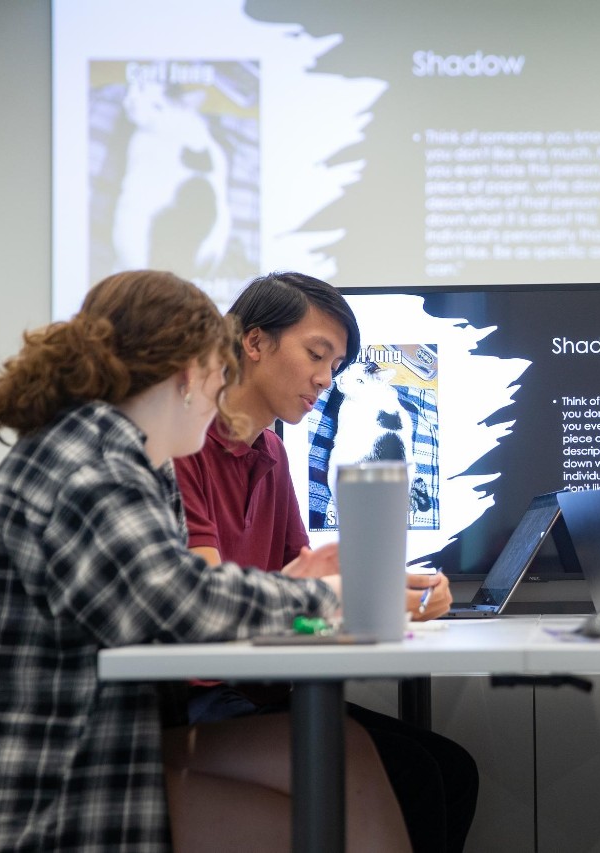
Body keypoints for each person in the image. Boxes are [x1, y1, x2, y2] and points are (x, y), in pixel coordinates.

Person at [0, 271, 410, 852]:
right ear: (189, 373)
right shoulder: (91, 461)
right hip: (34, 798)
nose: (226, 390)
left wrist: (308, 592)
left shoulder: (113, 452)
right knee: (326, 815)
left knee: (347, 760)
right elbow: (177, 602)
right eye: (222, 371)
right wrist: (329, 599)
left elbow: (176, 593)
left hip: (82, 746)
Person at [173, 271, 479, 853]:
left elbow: (306, 593)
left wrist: (397, 598)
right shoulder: (185, 441)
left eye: (335, 366)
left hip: (261, 687)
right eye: (317, 355)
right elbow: (213, 600)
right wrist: (354, 599)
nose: (324, 379)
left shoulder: (267, 448)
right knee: (416, 775)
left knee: (451, 769)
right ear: (254, 342)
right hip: (201, 696)